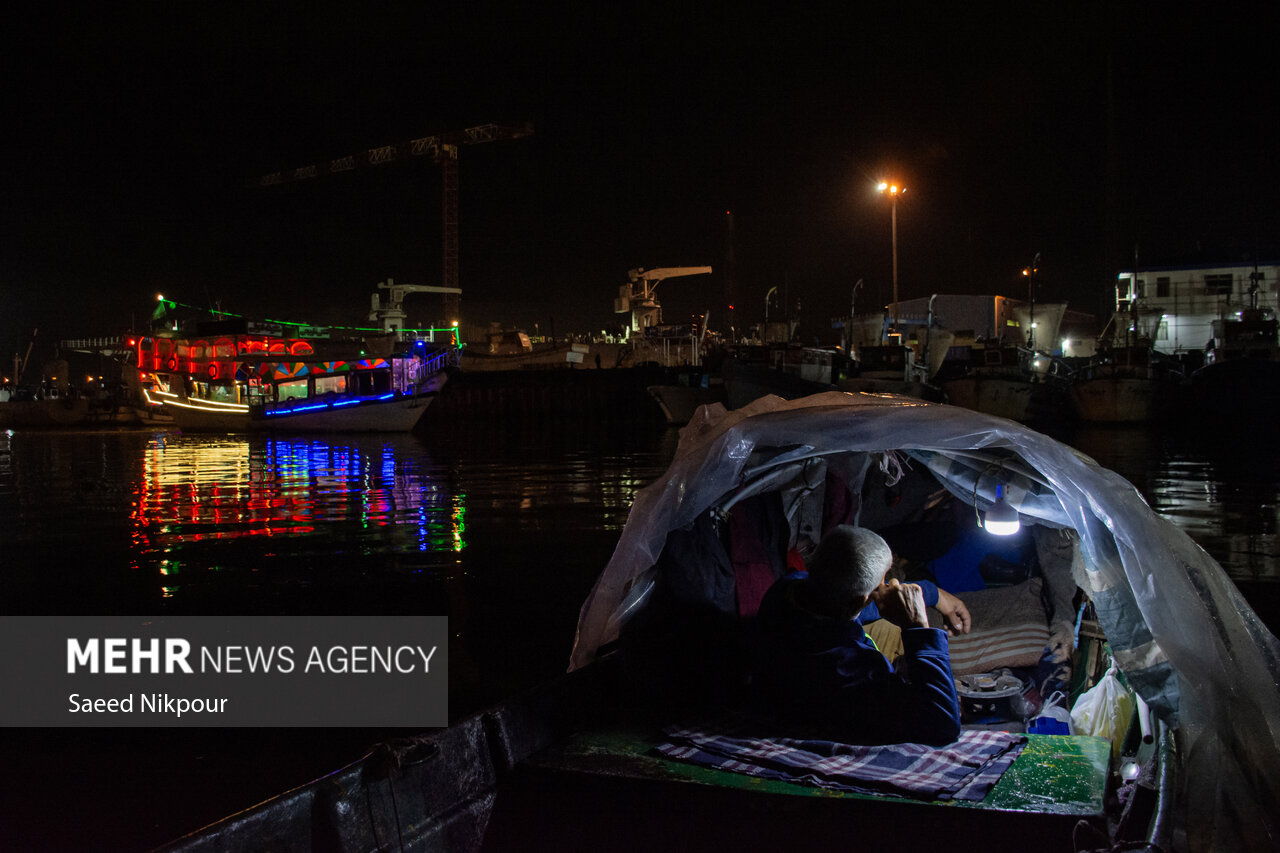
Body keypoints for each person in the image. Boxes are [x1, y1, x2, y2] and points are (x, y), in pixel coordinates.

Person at [755, 525, 962, 746]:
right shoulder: (850, 668)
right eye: (881, 584)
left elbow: (853, 602)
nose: (884, 589)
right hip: (813, 701)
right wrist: (918, 628)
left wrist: (934, 593)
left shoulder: (789, 588)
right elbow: (943, 726)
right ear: (860, 600)